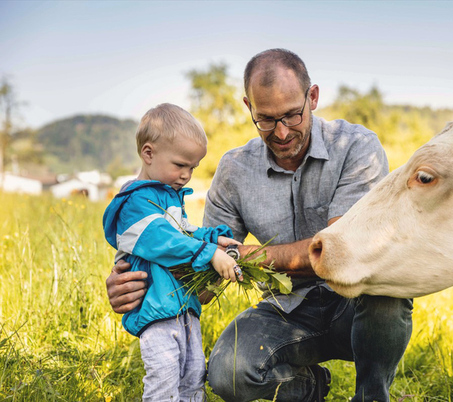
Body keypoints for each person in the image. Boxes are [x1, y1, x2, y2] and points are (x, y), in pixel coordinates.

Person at [106, 49, 413, 402]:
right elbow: (204, 278)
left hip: (355, 303)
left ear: (312, 97)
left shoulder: (357, 146)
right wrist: (140, 282)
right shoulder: (234, 170)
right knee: (228, 374)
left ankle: (372, 396)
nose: (281, 132)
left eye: (292, 115)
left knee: (389, 293)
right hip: (288, 310)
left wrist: (238, 254)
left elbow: (339, 250)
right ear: (248, 107)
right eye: (265, 119)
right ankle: (310, 387)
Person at [102, 103, 242, 401]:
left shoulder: (167, 201)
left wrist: (216, 240)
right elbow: (164, 240)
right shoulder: (135, 204)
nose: (186, 175)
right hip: (156, 312)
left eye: (193, 167)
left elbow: (184, 233)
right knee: (164, 376)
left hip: (184, 310)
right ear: (148, 153)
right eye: (180, 165)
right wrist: (209, 254)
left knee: (193, 376)